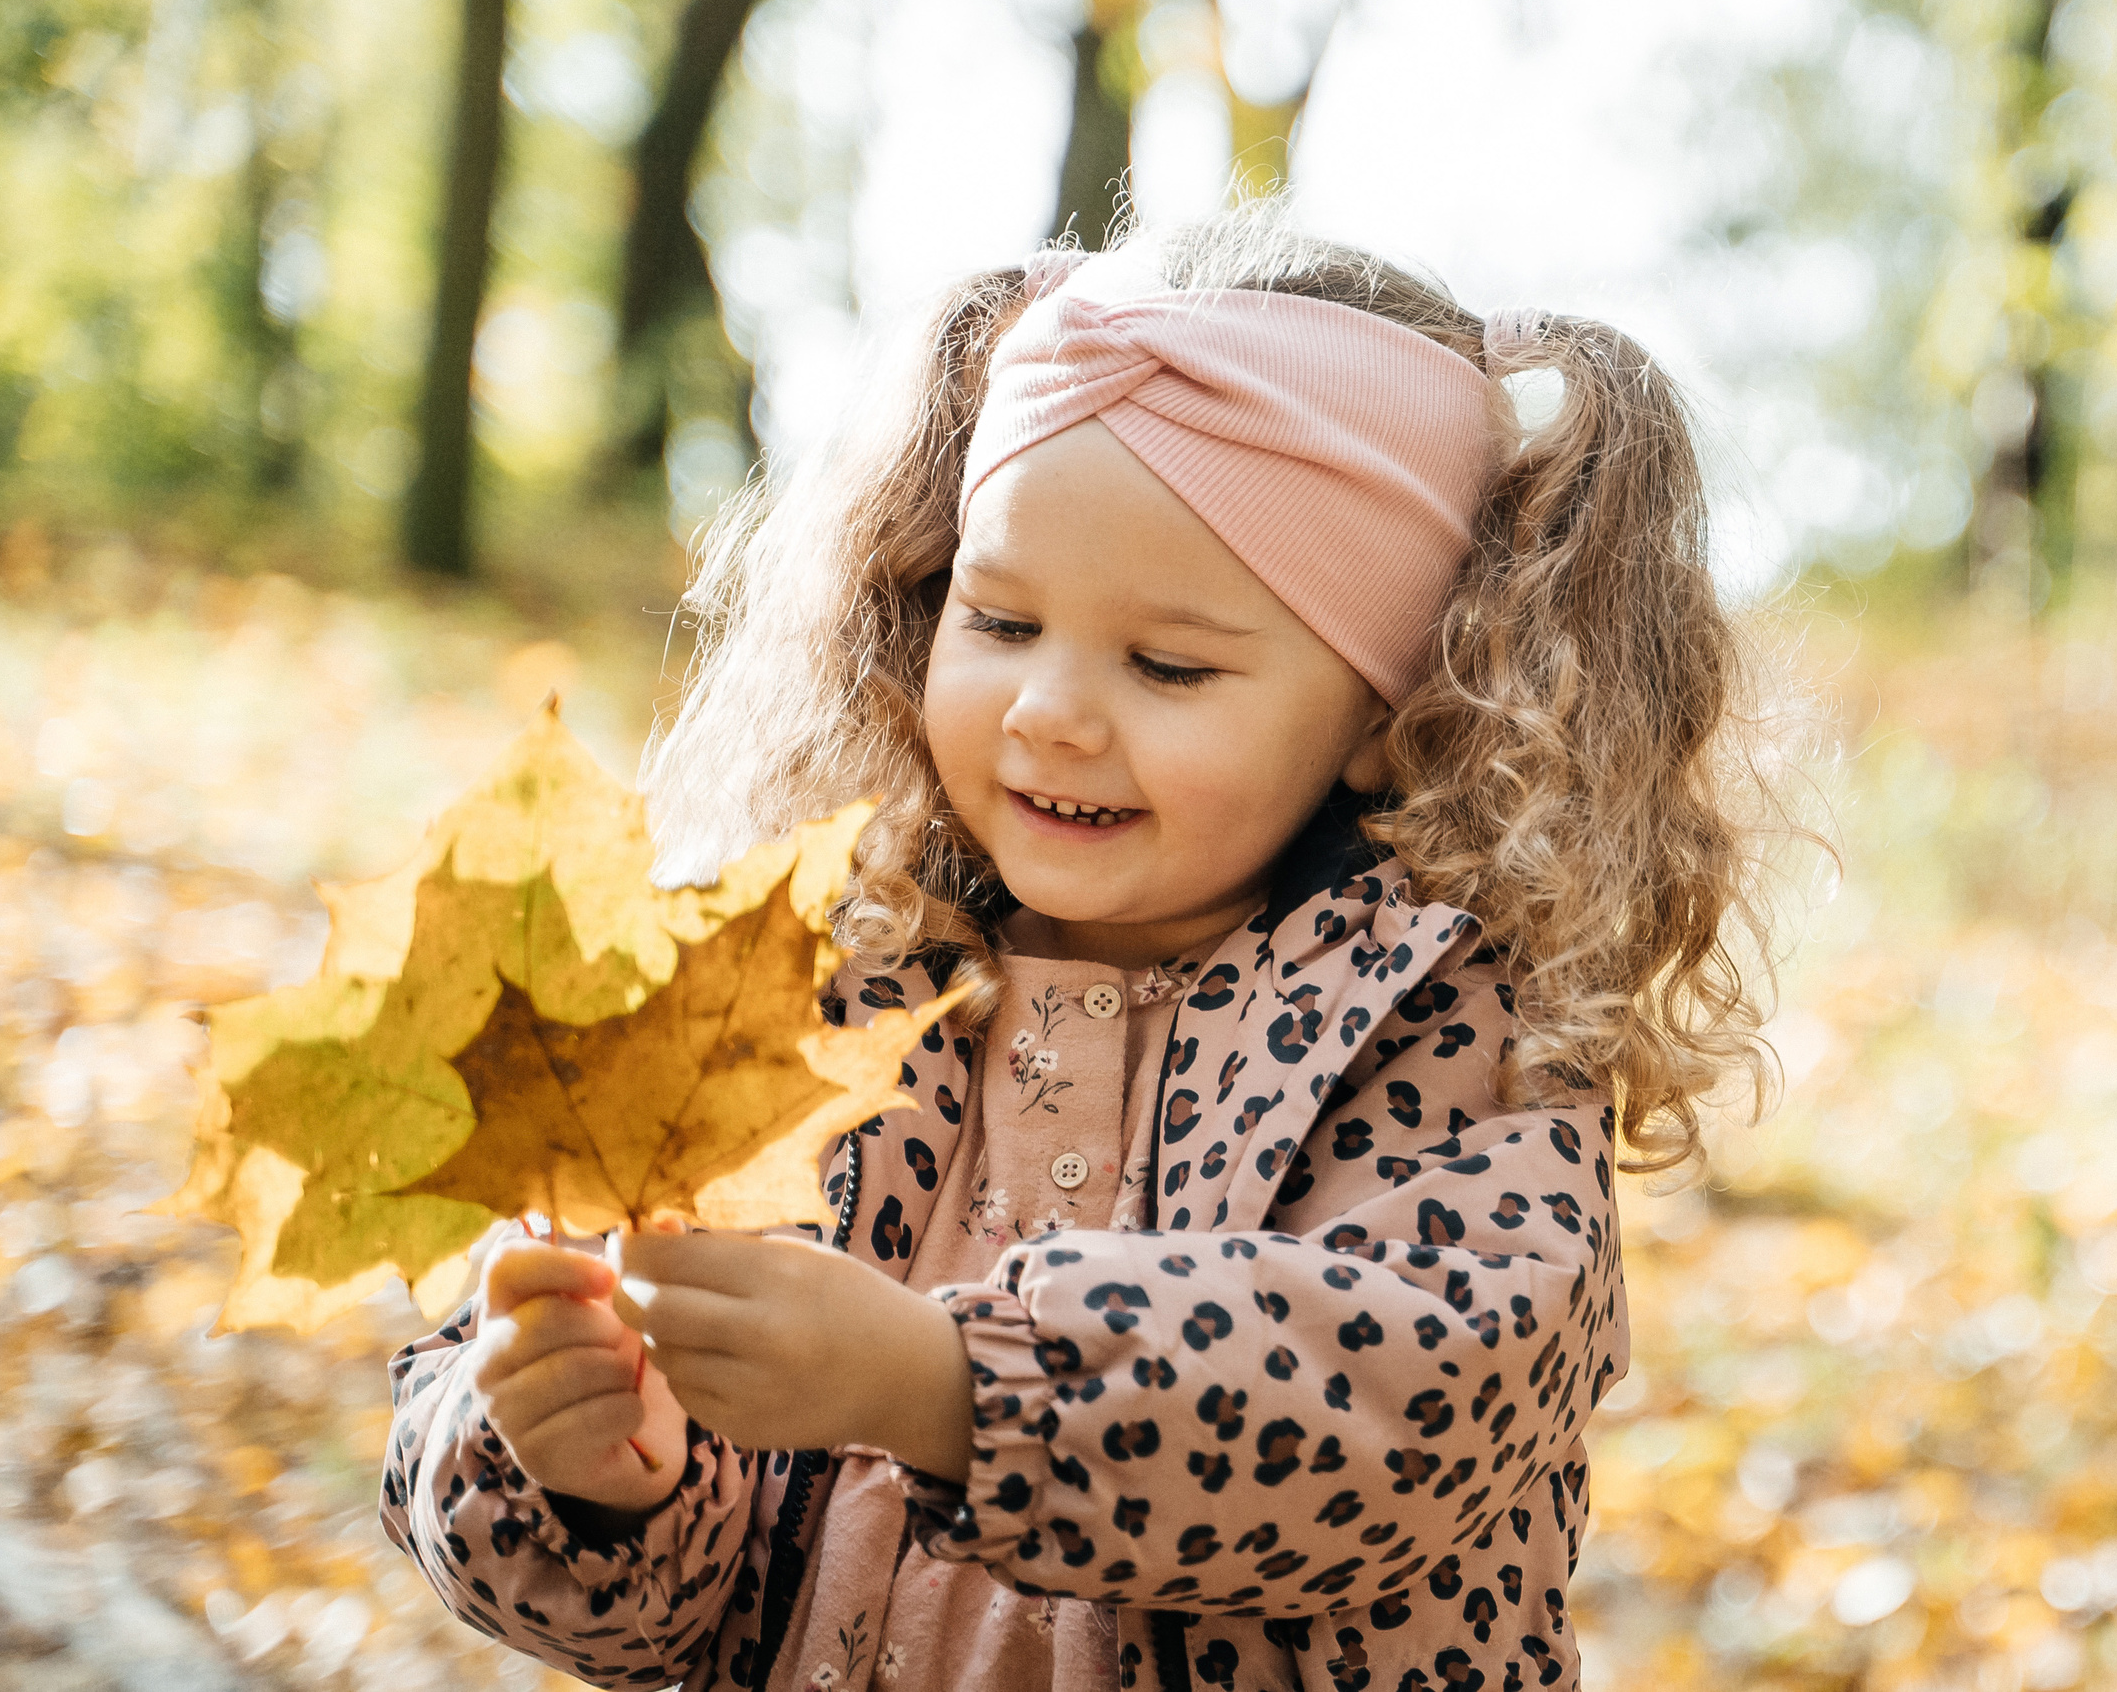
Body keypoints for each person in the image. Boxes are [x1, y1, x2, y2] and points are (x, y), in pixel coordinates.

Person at [379, 209, 1785, 1692]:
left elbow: (1408, 1396)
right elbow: (623, 1569)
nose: (1050, 709)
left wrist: (946, 1386)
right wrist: (602, 1475)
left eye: (1167, 664)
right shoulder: (822, 985)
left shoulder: (1446, 1025)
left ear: (1390, 715)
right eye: (999, 619)